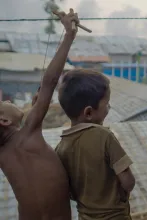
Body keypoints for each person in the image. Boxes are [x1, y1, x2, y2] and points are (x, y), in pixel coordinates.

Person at [0, 8, 79, 220]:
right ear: (5, 120)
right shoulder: (29, 131)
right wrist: (69, 36)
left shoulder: (4, 154)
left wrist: (32, 109)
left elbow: (21, 118)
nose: (8, 100)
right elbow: (50, 82)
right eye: (5, 102)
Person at [55, 69, 135, 220]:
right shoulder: (104, 136)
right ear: (89, 113)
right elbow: (128, 181)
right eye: (107, 104)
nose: (109, 108)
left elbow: (69, 191)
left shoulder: (61, 148)